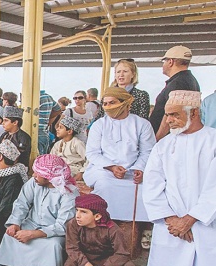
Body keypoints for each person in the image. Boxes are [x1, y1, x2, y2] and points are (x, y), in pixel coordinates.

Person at [141, 90, 216, 266]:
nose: (169, 120)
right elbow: (152, 184)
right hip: (171, 223)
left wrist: (191, 218)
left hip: (208, 222)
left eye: (175, 115)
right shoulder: (164, 145)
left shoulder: (214, 141)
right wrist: (172, 218)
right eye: (167, 115)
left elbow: (214, 187)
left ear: (194, 113)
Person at [0, 154, 79, 266]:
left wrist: (33, 234)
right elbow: (21, 204)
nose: (34, 175)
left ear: (50, 176)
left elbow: (62, 225)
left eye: (38, 173)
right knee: (9, 237)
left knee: (52, 246)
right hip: (31, 223)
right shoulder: (34, 182)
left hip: (53, 232)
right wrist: (15, 223)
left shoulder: (69, 192)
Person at [84, 87, 156, 222]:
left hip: (132, 171)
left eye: (112, 102)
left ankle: (137, 229)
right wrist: (111, 167)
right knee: (104, 185)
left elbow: (148, 152)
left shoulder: (142, 124)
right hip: (104, 170)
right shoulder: (99, 125)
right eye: (105, 104)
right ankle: (106, 224)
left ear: (126, 103)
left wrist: (139, 169)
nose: (108, 107)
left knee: (144, 189)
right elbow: (93, 153)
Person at [148, 46, 200, 140]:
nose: (163, 65)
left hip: (169, 139)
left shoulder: (177, 83)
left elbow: (172, 113)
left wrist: (157, 139)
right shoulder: (190, 80)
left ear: (170, 62)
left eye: (164, 61)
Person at [51, 116, 87, 181]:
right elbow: (51, 158)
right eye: (58, 127)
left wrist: (82, 172)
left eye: (61, 127)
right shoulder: (57, 144)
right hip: (59, 169)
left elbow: (88, 159)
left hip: (74, 169)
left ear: (69, 131)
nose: (57, 129)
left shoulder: (77, 143)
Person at [38, 89, 61, 154]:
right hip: (44, 133)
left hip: (36, 133)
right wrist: (47, 121)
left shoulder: (34, 98)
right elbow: (58, 110)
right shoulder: (48, 97)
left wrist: (48, 121)